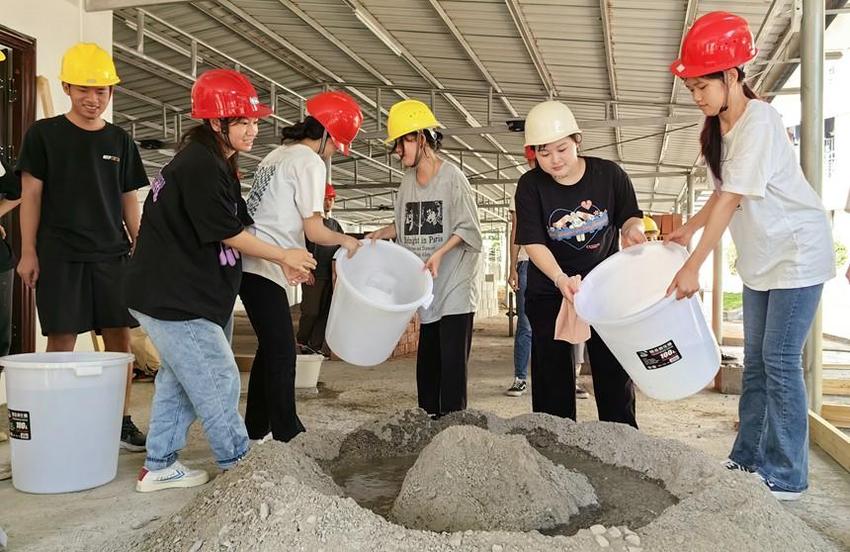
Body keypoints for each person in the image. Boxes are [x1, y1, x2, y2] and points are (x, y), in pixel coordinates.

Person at [666, 11, 835, 501]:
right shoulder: (721, 129)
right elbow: (720, 196)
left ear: (732, 75)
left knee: (780, 361)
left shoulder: (759, 121)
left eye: (703, 87)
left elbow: (732, 199)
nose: (697, 97)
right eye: (692, 89)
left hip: (796, 255)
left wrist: (693, 264)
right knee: (757, 362)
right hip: (763, 260)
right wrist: (684, 235)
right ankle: (747, 458)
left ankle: (788, 473)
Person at [125, 69, 316, 491]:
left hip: (187, 292)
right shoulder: (198, 165)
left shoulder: (216, 162)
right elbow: (228, 233)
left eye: (254, 121)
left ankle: (158, 464)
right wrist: (284, 253)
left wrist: (279, 262)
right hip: (174, 296)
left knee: (178, 381)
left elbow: (240, 223)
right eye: (242, 122)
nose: (252, 130)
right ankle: (240, 466)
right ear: (216, 123)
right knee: (218, 376)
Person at [15, 43, 148, 451]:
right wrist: (29, 251)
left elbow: (129, 198)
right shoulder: (44, 135)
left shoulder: (120, 140)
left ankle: (120, 420)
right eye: (85, 90)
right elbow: (31, 196)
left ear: (111, 93)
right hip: (59, 254)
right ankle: (62, 419)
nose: (93, 99)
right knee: (62, 338)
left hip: (112, 253)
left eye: (102, 91)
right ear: (67, 88)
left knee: (119, 340)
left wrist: (140, 245)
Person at [514, 100, 646, 427]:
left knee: (613, 370)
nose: (554, 160)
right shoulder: (530, 186)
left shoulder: (609, 175)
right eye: (544, 154)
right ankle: (554, 440)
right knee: (551, 375)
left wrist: (633, 230)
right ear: (533, 154)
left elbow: (629, 216)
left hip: (605, 286)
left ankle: (620, 438)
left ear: (577, 140)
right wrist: (561, 279)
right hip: (551, 290)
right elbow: (533, 242)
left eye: (561, 149)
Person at [241, 91, 362, 443]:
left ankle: (255, 429)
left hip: (256, 262)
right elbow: (313, 229)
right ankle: (287, 432)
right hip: (262, 265)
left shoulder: (276, 155)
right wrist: (347, 240)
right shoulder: (309, 161)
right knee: (282, 352)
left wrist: (295, 261)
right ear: (325, 133)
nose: (331, 153)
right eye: (334, 144)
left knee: (270, 347)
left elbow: (277, 218)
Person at [368, 99, 481, 418]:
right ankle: (427, 420)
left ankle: (453, 427)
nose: (398, 153)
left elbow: (468, 228)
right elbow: (408, 223)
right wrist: (384, 231)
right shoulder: (406, 183)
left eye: (401, 144)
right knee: (428, 361)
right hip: (426, 288)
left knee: (452, 363)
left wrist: (440, 253)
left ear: (419, 139)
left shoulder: (452, 177)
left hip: (454, 283)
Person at [506, 146, 588, 400]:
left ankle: (572, 378)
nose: (545, 163)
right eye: (537, 158)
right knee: (529, 324)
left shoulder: (567, 185)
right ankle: (521, 377)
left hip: (562, 265)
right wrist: (512, 267)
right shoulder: (527, 188)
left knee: (575, 320)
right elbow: (517, 232)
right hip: (529, 264)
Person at [297, 182, 344, 357]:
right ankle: (301, 341)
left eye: (331, 199)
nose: (328, 202)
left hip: (331, 275)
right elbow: (300, 247)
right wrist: (305, 271)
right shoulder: (310, 223)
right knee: (311, 310)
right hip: (314, 275)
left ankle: (315, 346)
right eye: (325, 199)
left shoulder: (334, 225)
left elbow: (342, 248)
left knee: (326, 312)